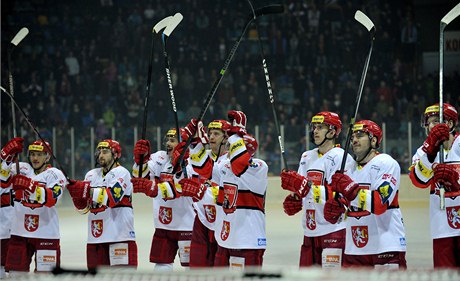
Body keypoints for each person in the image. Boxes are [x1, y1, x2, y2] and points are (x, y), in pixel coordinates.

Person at [280, 111, 354, 268]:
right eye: (314, 127)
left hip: (333, 230)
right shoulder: (307, 156)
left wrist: (304, 188)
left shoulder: (341, 157)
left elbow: (342, 194)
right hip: (309, 231)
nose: (315, 131)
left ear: (332, 132)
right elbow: (302, 188)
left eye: (320, 127)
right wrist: (295, 198)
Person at [328, 120, 407, 268]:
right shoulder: (347, 168)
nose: (354, 140)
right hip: (354, 249)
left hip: (386, 246)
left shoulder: (387, 164)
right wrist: (336, 207)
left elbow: (379, 204)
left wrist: (350, 190)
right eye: (352, 137)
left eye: (360, 136)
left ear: (374, 140)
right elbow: (347, 204)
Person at [67, 139, 137, 271]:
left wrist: (86, 189)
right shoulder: (91, 175)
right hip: (95, 238)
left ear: (116, 155)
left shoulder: (122, 173)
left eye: (105, 152)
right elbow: (83, 208)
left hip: (120, 237)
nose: (100, 155)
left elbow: (112, 198)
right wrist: (76, 193)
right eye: (99, 152)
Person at [131, 128, 196, 270]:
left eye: (172, 140)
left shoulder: (193, 161)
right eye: (167, 139)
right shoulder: (159, 157)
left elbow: (180, 187)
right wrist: (140, 160)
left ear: (183, 144)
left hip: (187, 225)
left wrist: (180, 164)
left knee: (191, 267)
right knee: (161, 264)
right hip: (163, 224)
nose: (168, 143)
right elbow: (141, 177)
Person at [1, 138, 66, 274]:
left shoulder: (55, 174)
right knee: (15, 275)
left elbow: (52, 199)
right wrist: (6, 157)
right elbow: (3, 181)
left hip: (46, 233)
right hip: (19, 232)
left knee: (46, 276)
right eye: (32, 154)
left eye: (39, 154)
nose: (35, 158)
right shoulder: (21, 168)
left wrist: (30, 187)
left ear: (47, 156)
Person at [409, 103, 460, 268]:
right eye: (429, 121)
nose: (432, 125)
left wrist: (456, 179)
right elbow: (418, 181)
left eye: (436, 120)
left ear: (450, 124)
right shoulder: (423, 151)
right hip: (441, 227)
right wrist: (430, 151)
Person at [179, 119, 230, 267]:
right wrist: (178, 164)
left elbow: (210, 174)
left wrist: (195, 144)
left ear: (226, 137)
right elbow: (183, 181)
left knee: (221, 270)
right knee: (197, 267)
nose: (212, 137)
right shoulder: (200, 156)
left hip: (223, 221)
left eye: (216, 133)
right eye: (210, 133)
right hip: (202, 219)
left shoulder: (231, 160)